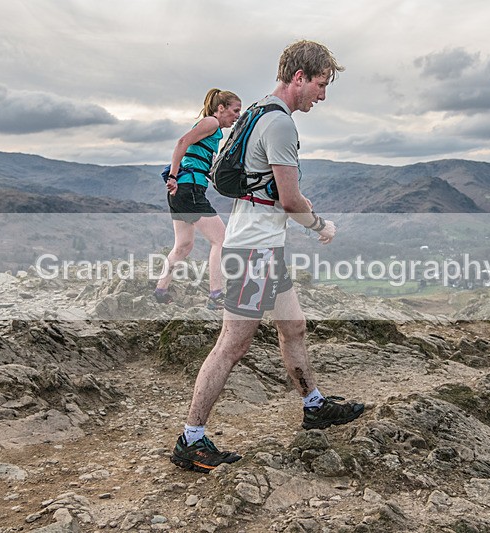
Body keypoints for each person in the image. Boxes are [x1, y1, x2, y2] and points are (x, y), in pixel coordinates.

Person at [170, 41, 364, 473]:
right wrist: (320, 225)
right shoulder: (279, 124)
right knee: (233, 344)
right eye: (321, 84)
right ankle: (191, 439)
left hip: (262, 245)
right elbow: (291, 200)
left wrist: (294, 206)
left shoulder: (259, 111)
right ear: (299, 77)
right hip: (253, 250)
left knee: (293, 326)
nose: (322, 95)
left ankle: (313, 405)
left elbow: (270, 188)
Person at [153, 88, 241, 310]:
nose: (237, 116)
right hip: (188, 189)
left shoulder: (215, 131)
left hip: (183, 192)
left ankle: (160, 291)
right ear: (220, 108)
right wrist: (173, 176)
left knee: (183, 245)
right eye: (235, 110)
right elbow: (182, 142)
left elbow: (198, 159)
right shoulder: (211, 122)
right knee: (221, 240)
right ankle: (216, 296)